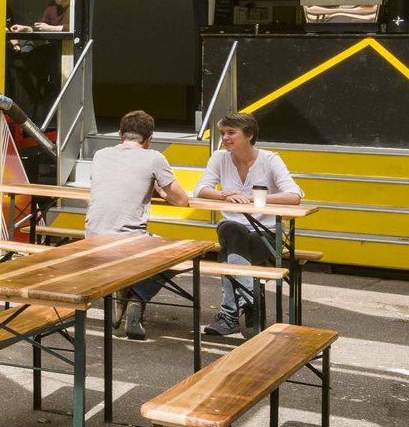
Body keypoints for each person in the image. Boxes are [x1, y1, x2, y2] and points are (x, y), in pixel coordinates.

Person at [83, 109, 192, 339]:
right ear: (150, 138)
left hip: (92, 238)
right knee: (183, 256)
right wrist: (161, 190)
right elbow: (182, 200)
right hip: (128, 242)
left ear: (119, 133)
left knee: (147, 250)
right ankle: (137, 295)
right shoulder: (154, 158)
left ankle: (125, 292)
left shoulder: (101, 155)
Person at [195, 109, 302, 338]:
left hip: (266, 233)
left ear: (249, 134)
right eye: (223, 133)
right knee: (233, 231)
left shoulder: (270, 160)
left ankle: (229, 316)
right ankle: (251, 300)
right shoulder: (219, 158)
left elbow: (294, 195)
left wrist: (253, 198)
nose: (225, 138)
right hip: (232, 229)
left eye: (231, 133)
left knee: (228, 257)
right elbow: (200, 189)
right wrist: (224, 195)